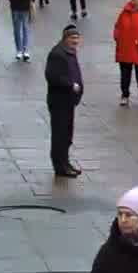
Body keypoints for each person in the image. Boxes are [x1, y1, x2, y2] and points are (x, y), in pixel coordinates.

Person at [46, 25, 85, 178]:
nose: (75, 41)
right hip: (59, 101)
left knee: (67, 134)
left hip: (68, 102)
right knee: (59, 135)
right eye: (72, 38)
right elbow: (52, 76)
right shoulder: (57, 54)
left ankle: (66, 162)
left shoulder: (70, 52)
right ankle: (60, 167)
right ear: (65, 39)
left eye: (77, 38)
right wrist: (71, 85)